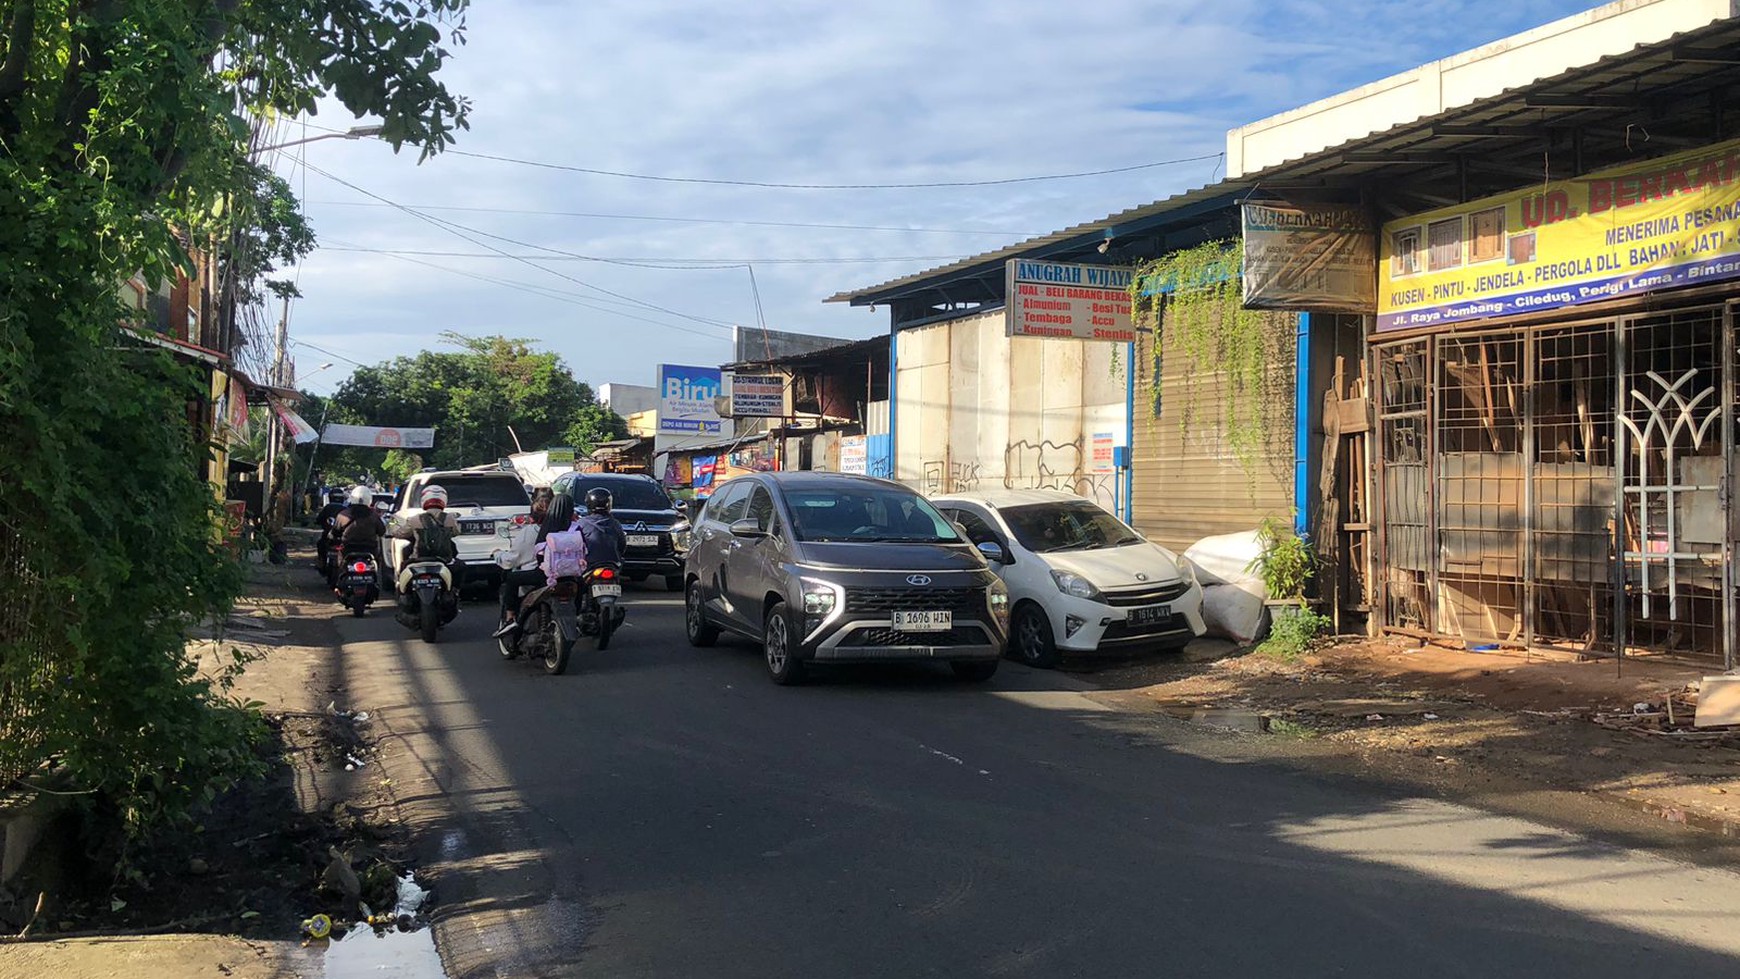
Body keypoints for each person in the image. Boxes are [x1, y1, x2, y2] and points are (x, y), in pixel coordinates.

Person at [493, 494, 576, 640]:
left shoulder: (532, 532)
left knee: (511, 578)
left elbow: (513, 560)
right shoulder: (573, 529)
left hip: (544, 575)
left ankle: (510, 618)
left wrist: (497, 554)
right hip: (571, 577)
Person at [388, 485, 465, 589]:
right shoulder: (450, 518)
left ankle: (403, 590)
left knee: (403, 567)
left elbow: (400, 533)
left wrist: (392, 524)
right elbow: (456, 532)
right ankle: (454, 590)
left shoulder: (414, 519)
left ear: (424, 499)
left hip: (419, 558)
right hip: (444, 559)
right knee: (461, 566)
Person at [332, 485, 387, 581]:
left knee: (340, 565)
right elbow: (382, 531)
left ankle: (338, 583)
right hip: (370, 549)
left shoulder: (343, 514)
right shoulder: (374, 516)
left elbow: (335, 532)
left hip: (348, 549)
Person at [576, 487, 626, 570]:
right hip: (613, 564)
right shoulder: (615, 523)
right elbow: (622, 546)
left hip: (589, 564)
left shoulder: (581, 524)